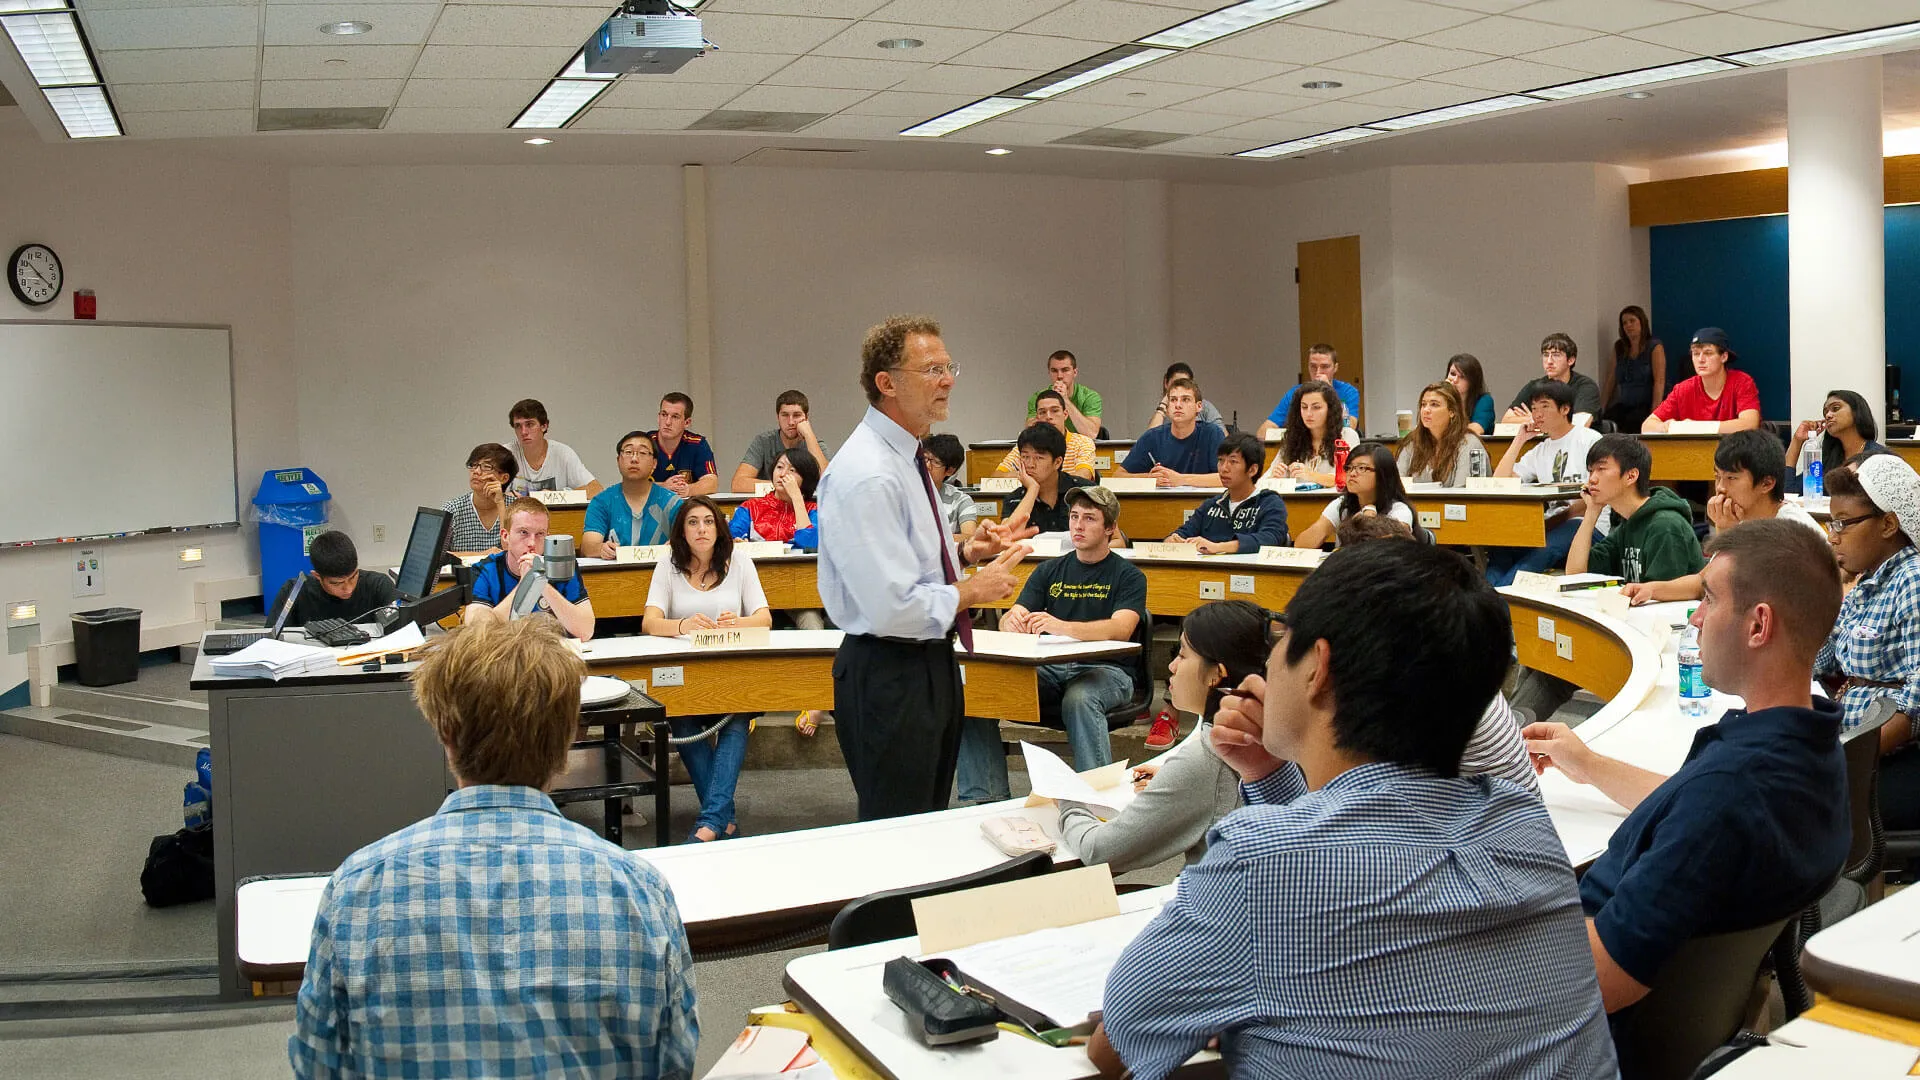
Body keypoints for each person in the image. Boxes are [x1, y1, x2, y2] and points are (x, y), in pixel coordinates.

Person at [1090, 542, 1614, 1080]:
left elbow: (1119, 1045)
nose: (1268, 661)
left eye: (1280, 639)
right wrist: (1271, 775)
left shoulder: (1257, 862)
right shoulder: (1524, 823)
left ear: (1318, 667)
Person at [288, 618, 696, 1078]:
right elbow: (673, 1063)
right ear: (568, 741)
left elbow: (318, 1064)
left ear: (445, 735)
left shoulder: (355, 890)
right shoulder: (641, 892)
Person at [1524, 520, 1849, 1016]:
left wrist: (1502, 929)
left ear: (1758, 625)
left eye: (1710, 600)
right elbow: (1687, 801)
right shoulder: (1808, 744)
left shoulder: (1726, 795)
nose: (1696, 618)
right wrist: (1587, 765)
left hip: (1576, 1019)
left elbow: (1606, 976)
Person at [818, 314, 1032, 821]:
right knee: (899, 833)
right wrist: (973, 591)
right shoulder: (868, 472)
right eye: (932, 369)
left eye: (949, 366)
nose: (948, 379)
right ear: (886, 383)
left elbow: (903, 560)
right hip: (890, 668)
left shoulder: (907, 455)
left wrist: (962, 553)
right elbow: (892, 606)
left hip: (923, 663)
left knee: (926, 822)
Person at [957, 487, 1147, 802]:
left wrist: (1061, 627)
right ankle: (986, 797)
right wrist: (1011, 622)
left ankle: (1097, 799)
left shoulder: (1128, 575)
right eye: (1074, 517)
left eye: (1089, 519)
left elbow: (1121, 628)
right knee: (978, 690)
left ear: (1110, 528)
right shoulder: (1049, 570)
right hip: (1048, 668)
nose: (1078, 526)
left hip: (1107, 672)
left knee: (1080, 698)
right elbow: (1014, 613)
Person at [1057, 600, 1265, 873]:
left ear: (1216, 674)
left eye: (1182, 655)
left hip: (1207, 906)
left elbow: (1099, 850)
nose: (1172, 667)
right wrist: (1174, 779)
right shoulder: (1260, 738)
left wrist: (1069, 800)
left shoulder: (1207, 757)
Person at [643, 496, 772, 843]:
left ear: (719, 528)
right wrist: (683, 625)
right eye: (693, 522)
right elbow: (650, 622)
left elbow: (764, 619)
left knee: (737, 716)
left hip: (731, 669)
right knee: (682, 718)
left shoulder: (740, 562)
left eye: (708, 522)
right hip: (685, 671)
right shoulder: (666, 565)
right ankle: (723, 821)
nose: (701, 529)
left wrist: (739, 622)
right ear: (682, 531)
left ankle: (710, 825)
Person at [1817, 456, 1920, 833]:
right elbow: (1823, 661)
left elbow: (1916, 705)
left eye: (1844, 523)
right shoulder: (1869, 581)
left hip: (1891, 759)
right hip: (1854, 748)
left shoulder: (1912, 581)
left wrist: (1842, 760)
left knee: (1787, 803)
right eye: (1832, 523)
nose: (1833, 535)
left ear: (1889, 524)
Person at [1622, 429, 1824, 605]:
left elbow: (1736, 590)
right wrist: (1651, 590)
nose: (1720, 488)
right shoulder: (1741, 518)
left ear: (1766, 483)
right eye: (1718, 476)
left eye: (1731, 478)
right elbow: (1703, 582)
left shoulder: (1791, 529)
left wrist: (1727, 534)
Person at [1485, 379, 1605, 586]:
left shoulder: (1590, 440)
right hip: (1551, 525)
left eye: (1545, 407)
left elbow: (1597, 495)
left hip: (1588, 525)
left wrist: (1551, 523)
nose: (1537, 414)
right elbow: (1500, 483)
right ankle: (1491, 600)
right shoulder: (1541, 449)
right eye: (1533, 408)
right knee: (1501, 544)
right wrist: (1519, 440)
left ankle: (1500, 601)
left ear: (1565, 409)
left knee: (1543, 549)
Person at [1566, 434, 1706, 582]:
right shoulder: (1628, 523)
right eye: (1590, 471)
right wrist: (1592, 512)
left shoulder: (1665, 525)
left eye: (1601, 469)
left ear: (1631, 476)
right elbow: (1576, 575)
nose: (1592, 479)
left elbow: (1661, 597)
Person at [463, 497, 595, 640]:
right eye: (523, 532)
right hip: (500, 656)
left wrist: (541, 582)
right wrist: (525, 583)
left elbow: (585, 631)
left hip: (551, 653)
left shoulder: (562, 566)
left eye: (540, 534)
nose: (532, 542)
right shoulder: (485, 570)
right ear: (505, 536)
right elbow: (477, 633)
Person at [1165, 432, 1290, 553]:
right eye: (1221, 460)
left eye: (1233, 462)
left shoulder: (1269, 502)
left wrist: (1218, 547)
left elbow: (1270, 538)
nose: (1224, 468)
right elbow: (1183, 532)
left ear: (1252, 470)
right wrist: (1173, 540)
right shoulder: (1211, 505)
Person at [1292, 441, 1415, 549]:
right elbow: (1301, 545)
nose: (1352, 473)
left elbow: (1387, 548)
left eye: (1362, 468)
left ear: (1383, 474)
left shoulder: (1399, 510)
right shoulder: (1342, 504)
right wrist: (1322, 530)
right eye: (1349, 468)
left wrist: (1366, 519)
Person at [581, 431, 681, 558]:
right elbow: (588, 547)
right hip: (617, 576)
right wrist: (600, 549)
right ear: (618, 460)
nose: (634, 459)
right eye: (628, 452)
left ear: (654, 463)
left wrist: (679, 546)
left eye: (643, 453)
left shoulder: (672, 503)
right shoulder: (602, 502)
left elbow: (689, 542)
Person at [1643, 327, 1762, 433]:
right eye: (1695, 353)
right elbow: (1647, 426)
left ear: (1724, 356)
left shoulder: (1742, 382)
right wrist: (1670, 427)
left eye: (1708, 353)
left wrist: (1696, 428)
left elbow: (1749, 424)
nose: (1700, 359)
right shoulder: (1683, 389)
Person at [269, 530, 398, 626]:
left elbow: (405, 635)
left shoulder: (379, 586)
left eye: (353, 577)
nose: (348, 589)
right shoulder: (294, 591)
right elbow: (271, 642)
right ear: (317, 576)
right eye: (337, 583)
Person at [1115, 377, 1223, 487]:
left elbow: (1228, 478)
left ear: (1199, 406)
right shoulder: (1152, 437)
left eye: (1185, 399)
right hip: (1162, 503)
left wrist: (1181, 479)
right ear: (1167, 408)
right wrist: (1148, 479)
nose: (1178, 405)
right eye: (1173, 400)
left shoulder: (1212, 434)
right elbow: (1118, 476)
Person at [1000, 422, 1095, 534]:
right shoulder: (1013, 499)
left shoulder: (1086, 491)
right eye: (1025, 457)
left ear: (1057, 462)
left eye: (1039, 458)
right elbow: (1007, 538)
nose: (1030, 464)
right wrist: (1032, 489)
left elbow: (1116, 541)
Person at [1788, 389, 1889, 493]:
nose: (1828, 415)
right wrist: (1797, 440)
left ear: (1857, 412)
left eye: (1835, 408)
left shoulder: (1879, 457)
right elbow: (1789, 491)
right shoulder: (1828, 458)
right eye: (1825, 412)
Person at [731, 389, 830, 493]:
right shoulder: (763, 442)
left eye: (796, 415)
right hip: (770, 504)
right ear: (777, 417)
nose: (791, 422)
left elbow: (827, 483)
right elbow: (738, 484)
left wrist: (809, 435)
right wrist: (785, 486)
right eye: (785, 415)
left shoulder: (817, 445)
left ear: (806, 418)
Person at [1261, 380, 1359, 487]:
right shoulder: (1293, 438)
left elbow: (1347, 478)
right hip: (1297, 502)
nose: (1308, 413)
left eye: (1316, 407)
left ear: (1330, 409)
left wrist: (1311, 475)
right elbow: (1261, 482)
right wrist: (1274, 478)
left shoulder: (1347, 436)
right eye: (1304, 407)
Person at [1258, 344, 1361, 437]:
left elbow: (1350, 427)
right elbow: (1263, 432)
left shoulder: (1348, 391)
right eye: (1313, 366)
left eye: (1325, 367)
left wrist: (1330, 392)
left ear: (1335, 367)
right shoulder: (1295, 393)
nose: (1318, 372)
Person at [1398, 381, 1489, 486]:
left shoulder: (1469, 444)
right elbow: (1397, 486)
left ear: (1452, 411)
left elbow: (1463, 492)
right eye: (1423, 404)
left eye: (1434, 404)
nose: (1426, 410)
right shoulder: (1412, 442)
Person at [506, 398, 601, 497]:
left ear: (544, 426)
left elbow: (596, 489)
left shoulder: (563, 453)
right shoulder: (505, 455)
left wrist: (557, 495)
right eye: (518, 426)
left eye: (529, 424)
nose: (523, 432)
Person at [1502, 333, 1601, 426]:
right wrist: (1532, 419)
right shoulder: (1535, 386)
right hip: (1544, 442)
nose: (1549, 361)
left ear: (1571, 360)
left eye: (1556, 355)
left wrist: (1538, 419)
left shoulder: (1586, 387)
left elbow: (1578, 424)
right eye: (1546, 355)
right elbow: (1506, 420)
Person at [997, 389, 1096, 480]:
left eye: (1055, 411)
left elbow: (1084, 476)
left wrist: (1045, 479)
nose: (1048, 417)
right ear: (1037, 417)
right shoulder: (1027, 445)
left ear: (1065, 414)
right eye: (1042, 412)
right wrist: (1024, 475)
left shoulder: (1083, 443)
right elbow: (997, 475)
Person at [443, 442, 517, 554]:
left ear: (504, 478)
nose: (476, 472)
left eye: (486, 467)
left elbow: (514, 552)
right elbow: (438, 557)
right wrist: (482, 556)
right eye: (473, 465)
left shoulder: (517, 508)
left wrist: (500, 503)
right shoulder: (453, 510)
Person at [1603, 305, 1665, 434]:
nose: (1628, 325)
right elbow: (1610, 380)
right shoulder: (1619, 347)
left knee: (1634, 422)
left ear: (1642, 322)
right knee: (1607, 420)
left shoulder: (1654, 346)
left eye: (1632, 321)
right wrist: (1601, 408)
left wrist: (1655, 414)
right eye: (1624, 323)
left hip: (1646, 404)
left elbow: (1659, 381)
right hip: (1625, 404)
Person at [647, 392, 718, 496]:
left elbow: (712, 483)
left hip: (685, 508)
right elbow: (632, 484)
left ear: (687, 422)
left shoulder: (697, 444)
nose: (667, 422)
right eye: (664, 415)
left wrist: (688, 490)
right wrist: (663, 487)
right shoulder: (645, 442)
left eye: (675, 417)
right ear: (658, 417)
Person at [1026, 349, 1102, 437]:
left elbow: (1091, 434)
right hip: (1048, 445)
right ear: (1049, 373)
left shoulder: (1090, 397)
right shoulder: (1038, 397)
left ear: (1075, 372)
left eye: (1065, 370)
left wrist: (1064, 400)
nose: (1059, 376)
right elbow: (1030, 431)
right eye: (1054, 371)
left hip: (1080, 447)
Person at [920, 433, 981, 544]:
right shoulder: (907, 491)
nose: (927, 465)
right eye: (925, 459)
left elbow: (970, 537)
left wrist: (932, 540)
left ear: (950, 471)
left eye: (936, 462)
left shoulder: (961, 500)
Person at [1147, 362, 1226, 431]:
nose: (1179, 389)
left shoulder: (1204, 407)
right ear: (1166, 383)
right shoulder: (1162, 410)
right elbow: (1148, 442)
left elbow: (1223, 441)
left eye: (1184, 384)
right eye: (1175, 384)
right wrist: (1162, 407)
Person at [1446, 353, 1497, 435]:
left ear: (1472, 382)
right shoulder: (1441, 399)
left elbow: (1476, 430)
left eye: (1462, 377)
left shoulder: (1484, 401)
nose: (1455, 380)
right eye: (1452, 374)